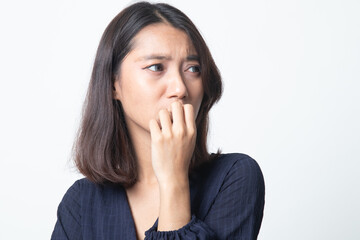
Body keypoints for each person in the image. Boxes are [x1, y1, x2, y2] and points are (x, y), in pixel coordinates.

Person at [51, 1, 265, 239]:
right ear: (114, 85)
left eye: (193, 69)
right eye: (156, 67)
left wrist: (173, 178)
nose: (180, 88)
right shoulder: (81, 203)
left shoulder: (234, 177)